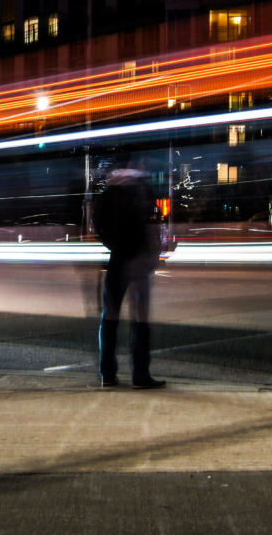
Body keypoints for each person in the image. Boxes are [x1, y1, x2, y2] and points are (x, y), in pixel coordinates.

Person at [91, 157, 166, 389]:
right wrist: (154, 251)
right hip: (140, 261)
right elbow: (155, 221)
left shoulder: (111, 190)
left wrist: (115, 246)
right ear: (140, 167)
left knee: (110, 316)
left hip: (117, 260)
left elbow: (97, 223)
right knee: (140, 318)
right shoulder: (143, 189)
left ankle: (108, 373)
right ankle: (140, 374)